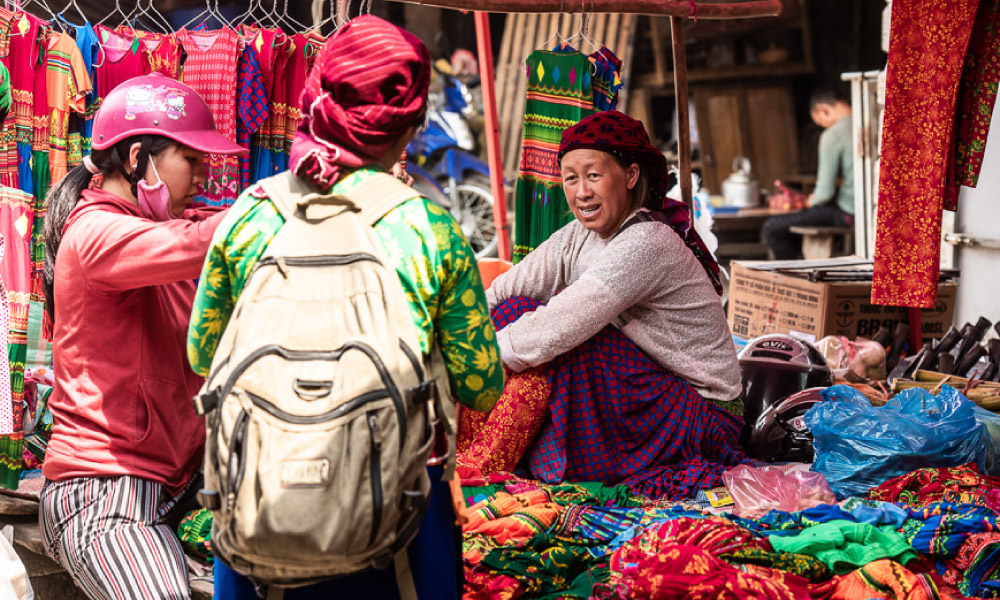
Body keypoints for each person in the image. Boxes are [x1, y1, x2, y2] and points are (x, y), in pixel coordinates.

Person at [186, 16, 503, 600]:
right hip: (400, 515)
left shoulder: (250, 216)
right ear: (409, 124)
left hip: (260, 510)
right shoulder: (429, 229)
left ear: (314, 103)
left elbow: (203, 354)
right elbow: (481, 383)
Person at [457, 110, 746, 500]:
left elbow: (555, 327)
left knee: (563, 340)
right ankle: (475, 453)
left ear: (630, 176)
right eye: (570, 178)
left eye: (593, 175)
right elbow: (504, 293)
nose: (581, 192)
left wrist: (473, 356)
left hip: (703, 414)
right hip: (649, 396)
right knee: (513, 312)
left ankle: (487, 462)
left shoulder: (648, 242)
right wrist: (458, 336)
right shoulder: (578, 235)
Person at [38, 74, 248, 600]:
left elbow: (208, 227)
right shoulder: (96, 234)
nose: (202, 176)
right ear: (137, 158)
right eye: (191, 161)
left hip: (175, 491)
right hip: (106, 495)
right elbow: (215, 235)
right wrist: (287, 201)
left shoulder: (161, 223)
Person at [763, 86, 855, 260]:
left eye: (821, 123)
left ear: (823, 111)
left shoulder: (833, 135)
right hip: (865, 210)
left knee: (772, 228)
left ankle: (795, 280)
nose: (824, 127)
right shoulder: (868, 120)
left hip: (848, 213)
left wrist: (812, 199)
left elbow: (824, 194)